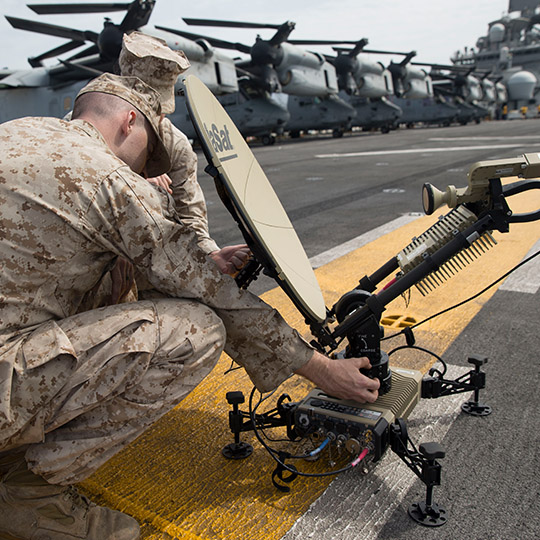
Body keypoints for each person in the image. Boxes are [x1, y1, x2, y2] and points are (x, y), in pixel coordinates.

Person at [0, 75, 379, 540]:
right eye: (150, 150)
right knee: (195, 331)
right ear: (129, 120)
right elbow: (211, 296)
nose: (146, 165)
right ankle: (28, 495)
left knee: (119, 265)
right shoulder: (107, 177)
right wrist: (321, 369)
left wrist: (190, 260)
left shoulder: (17, 131)